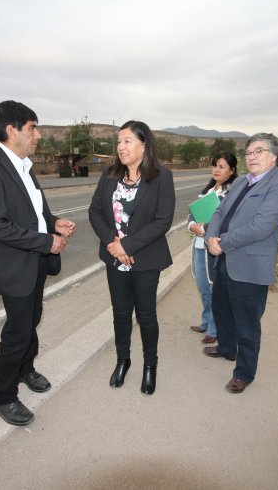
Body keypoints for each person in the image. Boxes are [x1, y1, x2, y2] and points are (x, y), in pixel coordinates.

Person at [0, 100, 76, 426]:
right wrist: (46, 241)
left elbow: (34, 214)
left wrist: (54, 222)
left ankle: (25, 369)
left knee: (32, 318)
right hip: (14, 265)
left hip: (34, 264)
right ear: (11, 130)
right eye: (33, 128)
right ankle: (2, 396)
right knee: (17, 331)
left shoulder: (24, 167)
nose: (38, 135)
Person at [203, 133, 278, 394]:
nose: (251, 156)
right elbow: (220, 211)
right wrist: (211, 236)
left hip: (250, 265)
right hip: (225, 259)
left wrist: (222, 242)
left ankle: (244, 373)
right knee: (221, 308)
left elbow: (262, 226)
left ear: (274, 156)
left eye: (258, 151)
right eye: (249, 152)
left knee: (247, 323)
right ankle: (226, 348)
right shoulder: (242, 181)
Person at [88, 120, 175, 395]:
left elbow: (163, 220)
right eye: (118, 141)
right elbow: (95, 211)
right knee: (121, 313)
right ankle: (122, 360)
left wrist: (128, 246)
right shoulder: (110, 174)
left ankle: (151, 366)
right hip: (115, 257)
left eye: (127, 141)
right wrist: (113, 244)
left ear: (143, 145)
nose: (120, 147)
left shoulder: (161, 176)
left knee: (146, 315)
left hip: (145, 259)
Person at [188, 152, 238, 344]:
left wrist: (204, 228)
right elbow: (192, 214)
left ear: (232, 170)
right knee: (203, 287)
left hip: (215, 248)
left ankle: (215, 329)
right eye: (215, 165)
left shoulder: (231, 193)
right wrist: (193, 226)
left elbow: (227, 221)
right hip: (199, 246)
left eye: (222, 166)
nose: (216, 170)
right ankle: (206, 321)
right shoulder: (208, 191)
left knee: (214, 288)